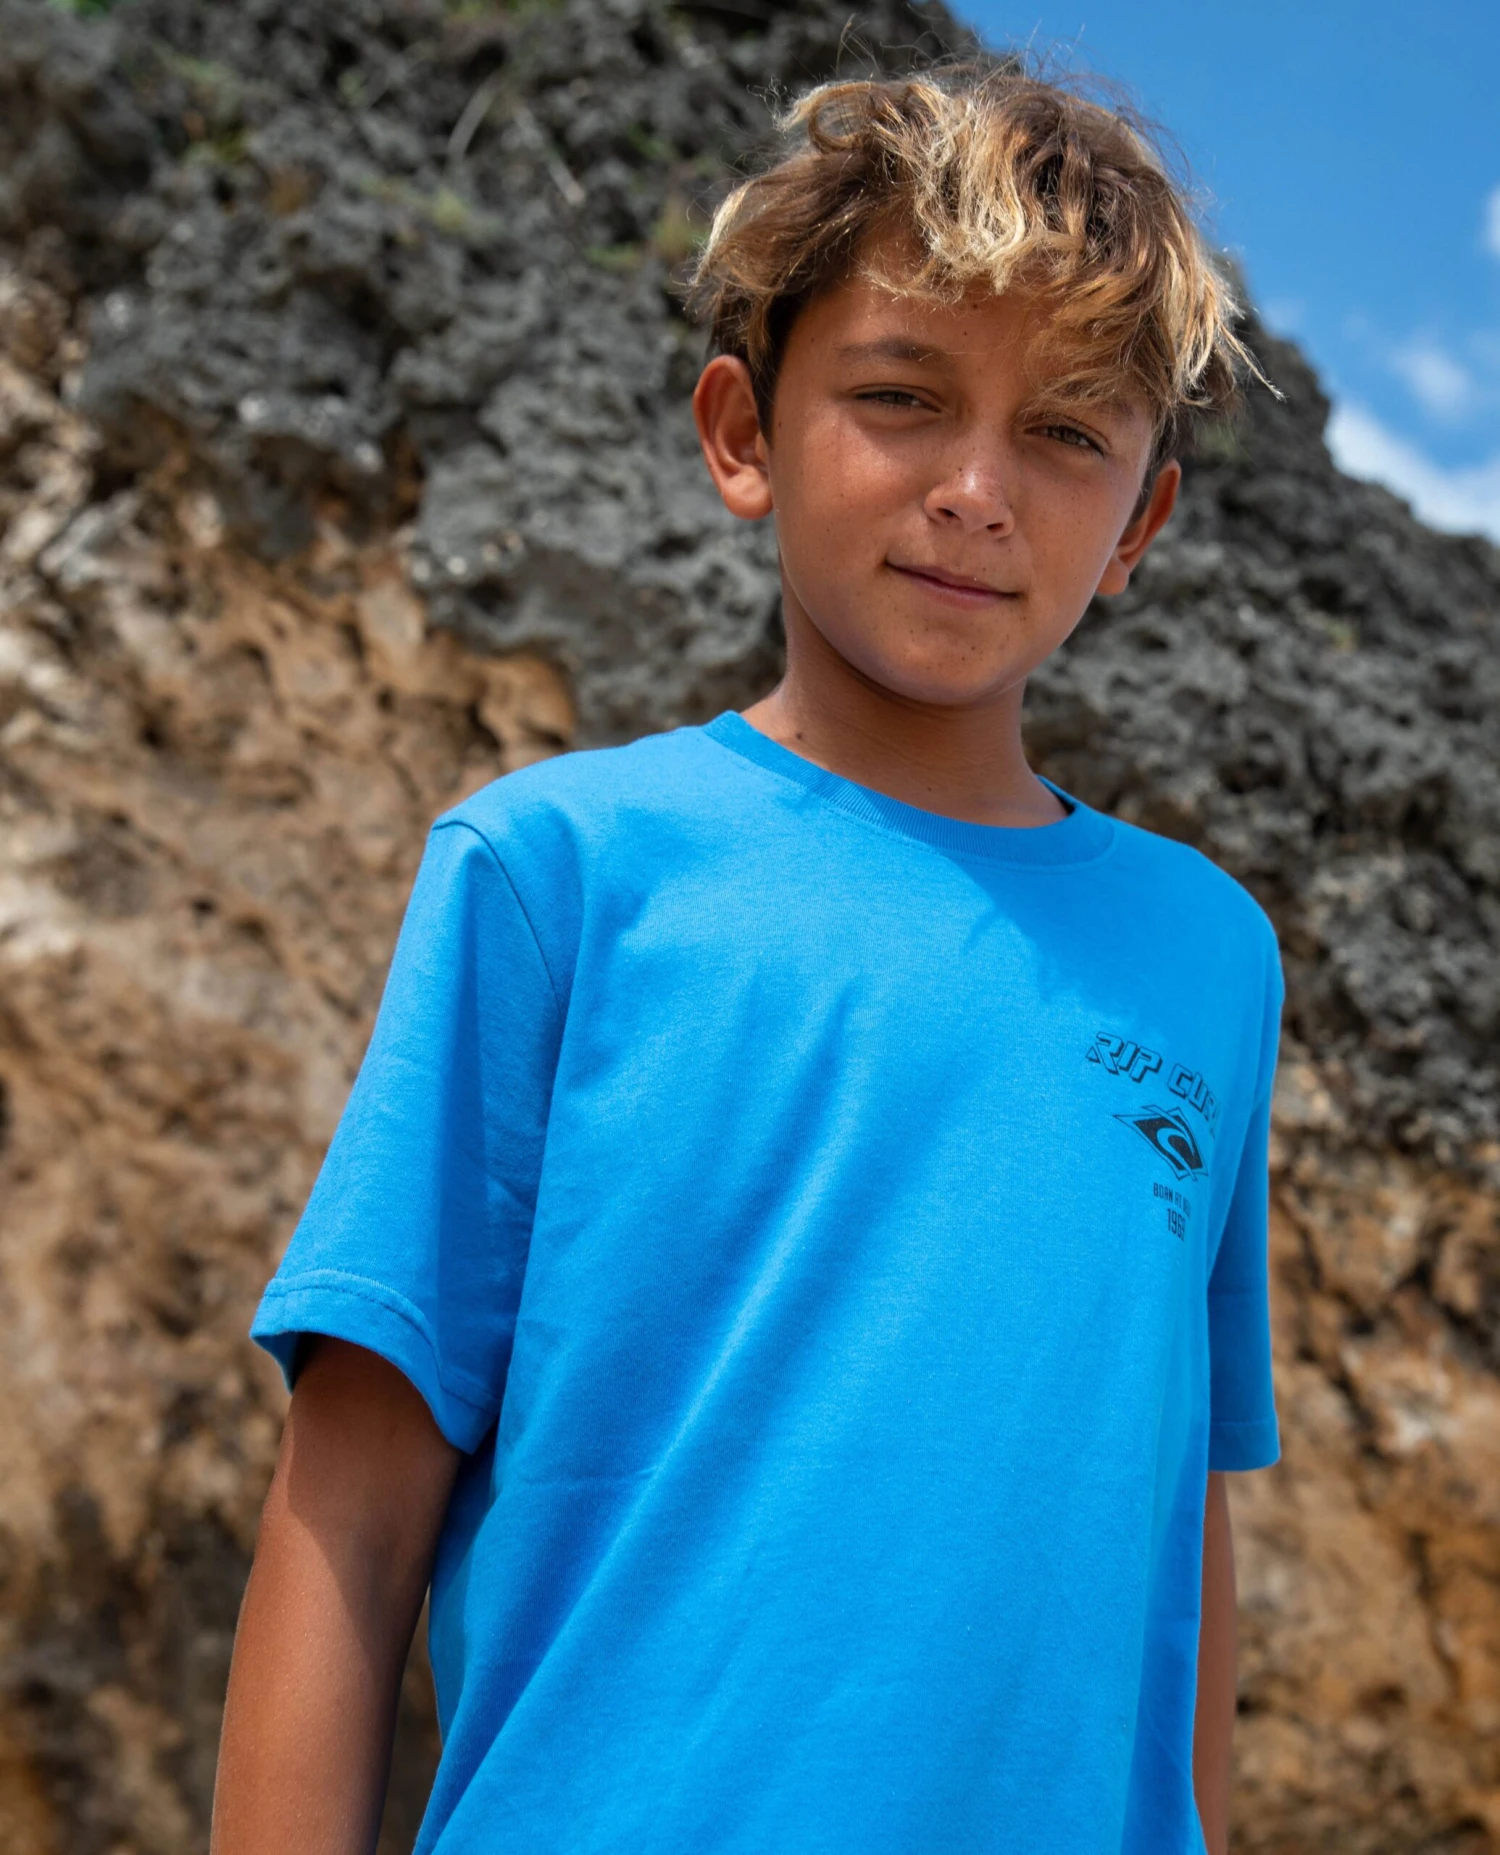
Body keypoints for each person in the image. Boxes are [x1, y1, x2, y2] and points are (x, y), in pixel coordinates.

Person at [212, 60, 1282, 1855]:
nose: (977, 488)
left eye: (1067, 431)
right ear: (743, 433)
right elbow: (353, 1511)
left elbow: (1182, 1512)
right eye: (900, 396)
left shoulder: (1209, 959)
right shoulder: (556, 872)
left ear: (1141, 527)